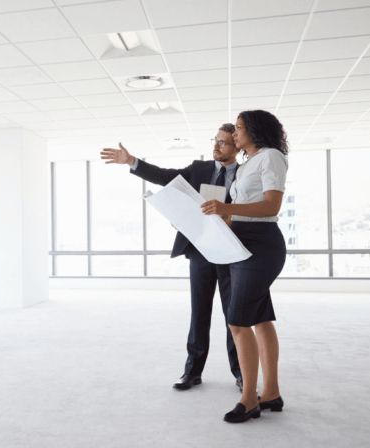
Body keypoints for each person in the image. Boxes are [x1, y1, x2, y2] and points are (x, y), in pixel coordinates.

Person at [100, 124, 245, 392]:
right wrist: (131, 162)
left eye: (224, 143)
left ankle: (241, 374)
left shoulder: (245, 174)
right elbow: (164, 177)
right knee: (199, 313)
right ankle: (192, 372)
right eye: (215, 140)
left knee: (233, 316)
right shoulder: (199, 168)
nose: (216, 146)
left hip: (230, 252)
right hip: (199, 251)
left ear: (237, 147)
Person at [200, 110, 289, 423]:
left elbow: (271, 205)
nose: (234, 134)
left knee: (237, 322)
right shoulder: (247, 163)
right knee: (260, 318)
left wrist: (227, 207)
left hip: (262, 245)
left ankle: (249, 399)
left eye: (238, 128)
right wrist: (219, 217)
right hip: (240, 243)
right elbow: (241, 211)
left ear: (255, 129)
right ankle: (272, 394)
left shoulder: (271, 157)